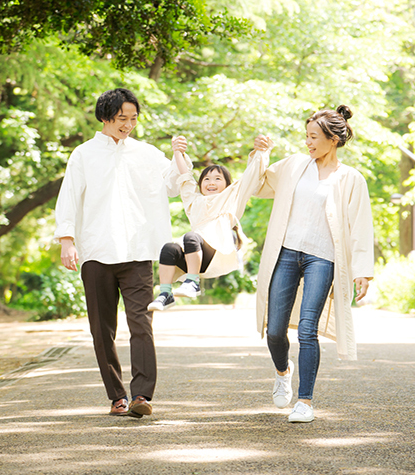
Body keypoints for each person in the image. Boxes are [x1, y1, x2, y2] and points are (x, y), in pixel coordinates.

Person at [54, 88, 187, 418]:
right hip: (96, 251)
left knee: (141, 323)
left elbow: (174, 185)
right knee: (102, 329)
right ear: (104, 117)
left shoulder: (146, 153)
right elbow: (68, 197)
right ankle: (117, 396)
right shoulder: (84, 155)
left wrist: (178, 155)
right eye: (121, 118)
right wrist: (67, 240)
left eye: (133, 118)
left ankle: (142, 395)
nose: (128, 125)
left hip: (137, 251)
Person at [254, 105, 374, 423]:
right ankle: (283, 371)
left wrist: (363, 271)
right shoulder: (294, 165)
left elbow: (361, 226)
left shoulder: (351, 178)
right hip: (286, 253)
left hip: (322, 258)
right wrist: (261, 156)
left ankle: (304, 401)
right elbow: (258, 185)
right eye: (306, 136)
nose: (307, 142)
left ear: (332, 139)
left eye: (313, 137)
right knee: (274, 330)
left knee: (308, 330)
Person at [148, 135, 272, 311]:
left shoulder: (232, 197)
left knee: (191, 237)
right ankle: (166, 293)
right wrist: (177, 152)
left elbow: (251, 174)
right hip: (195, 254)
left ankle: (193, 282)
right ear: (200, 185)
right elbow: (185, 176)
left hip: (215, 252)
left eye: (217, 179)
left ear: (228, 184)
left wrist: (261, 151)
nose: (211, 182)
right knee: (169, 248)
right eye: (206, 179)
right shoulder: (194, 201)